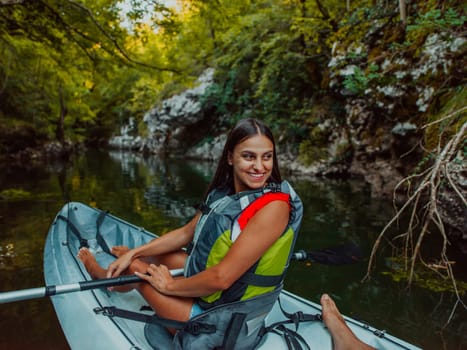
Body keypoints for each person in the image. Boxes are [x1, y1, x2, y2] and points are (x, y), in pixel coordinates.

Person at [78, 118, 304, 347]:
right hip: (216, 296)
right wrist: (135, 251)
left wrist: (168, 285)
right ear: (229, 157)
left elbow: (222, 278)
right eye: (249, 156)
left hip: (223, 318)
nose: (260, 166)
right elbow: (186, 232)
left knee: (136, 269)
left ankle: (101, 274)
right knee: (142, 257)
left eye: (267, 156)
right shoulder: (225, 195)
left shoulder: (274, 208)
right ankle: (125, 266)